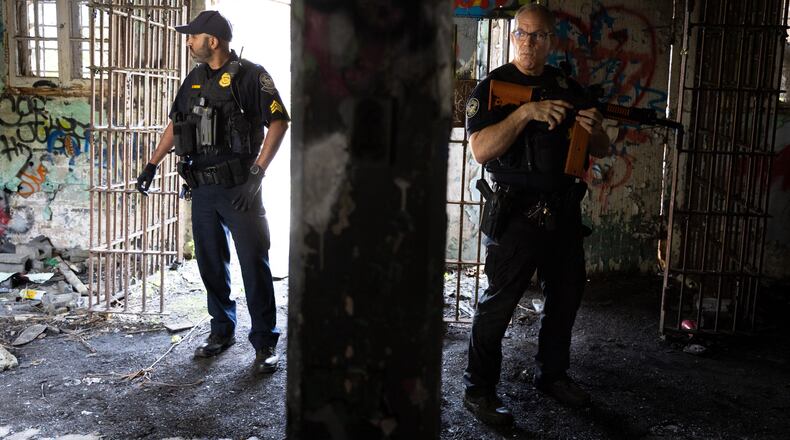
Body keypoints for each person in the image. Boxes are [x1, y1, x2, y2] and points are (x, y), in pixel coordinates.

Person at [462, 4, 610, 425]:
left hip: (562, 214)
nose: (530, 43)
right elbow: (479, 150)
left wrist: (594, 126)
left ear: (552, 40)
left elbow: (600, 148)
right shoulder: (492, 88)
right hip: (513, 216)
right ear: (512, 36)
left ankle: (552, 375)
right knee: (498, 306)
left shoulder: (568, 85)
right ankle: (480, 389)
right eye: (523, 34)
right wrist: (525, 113)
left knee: (565, 299)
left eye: (539, 35)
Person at [135, 10, 289, 374]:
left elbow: (279, 122)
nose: (188, 41)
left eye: (193, 36)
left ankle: (265, 341)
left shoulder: (252, 75)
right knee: (210, 265)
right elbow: (177, 124)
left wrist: (256, 176)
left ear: (213, 41)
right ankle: (222, 331)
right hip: (202, 189)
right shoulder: (193, 80)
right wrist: (151, 164)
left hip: (240, 189)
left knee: (253, 265)